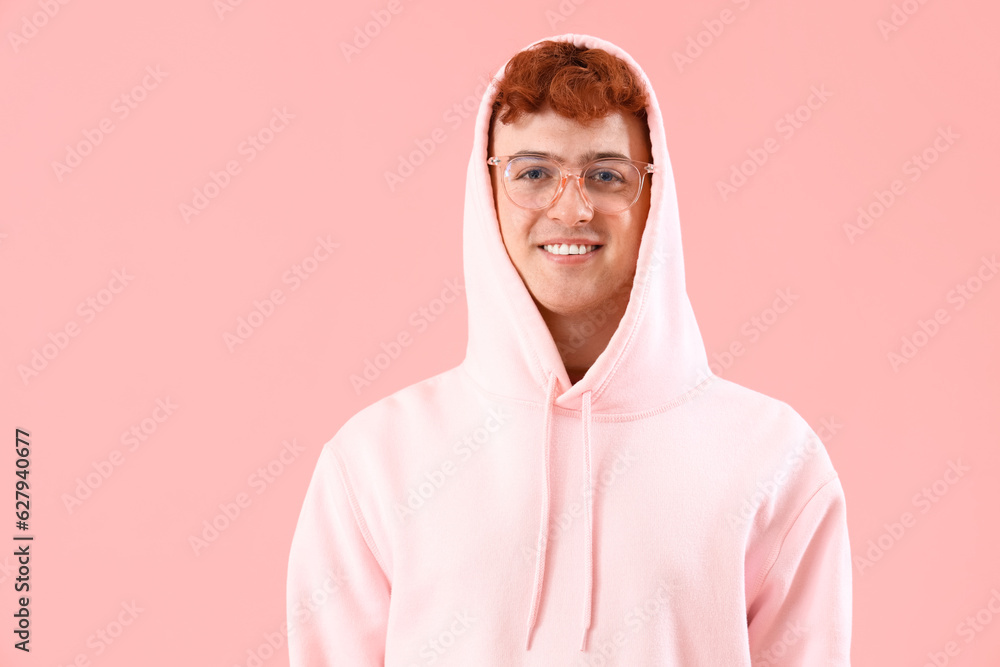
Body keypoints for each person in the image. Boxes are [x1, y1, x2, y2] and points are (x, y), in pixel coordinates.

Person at [286, 33, 852, 665]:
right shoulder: (373, 462)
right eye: (533, 173)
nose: (573, 208)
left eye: (607, 175)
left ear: (654, 198)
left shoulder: (774, 458)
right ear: (489, 195)